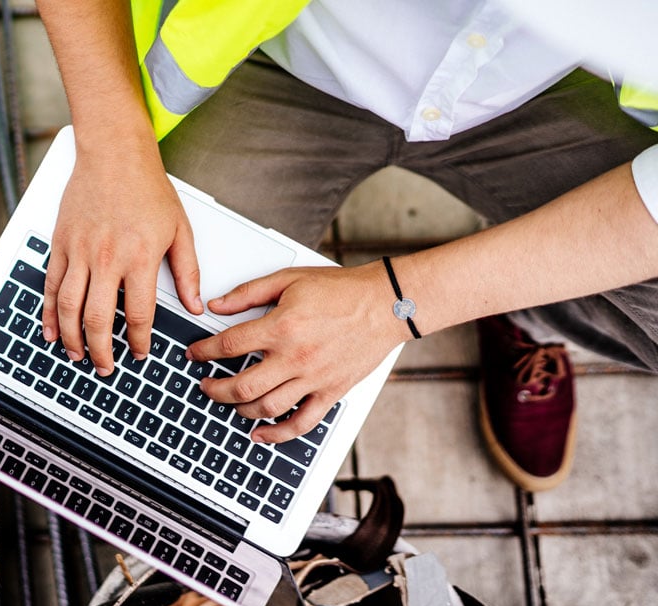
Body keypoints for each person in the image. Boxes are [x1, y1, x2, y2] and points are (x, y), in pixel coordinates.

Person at [33, 0, 658, 492]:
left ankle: (518, 297)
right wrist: (113, 152)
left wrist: (400, 303)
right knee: (149, 342)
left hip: (557, 84)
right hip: (283, 54)